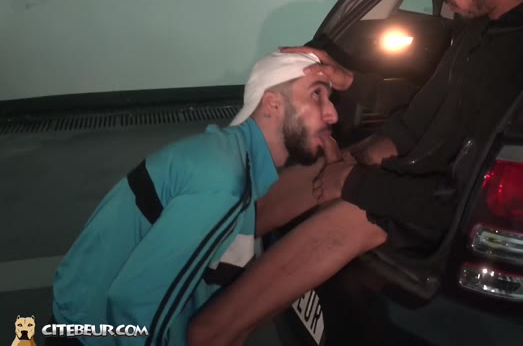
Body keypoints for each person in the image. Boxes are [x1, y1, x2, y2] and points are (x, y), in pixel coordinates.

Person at [188, 0, 523, 344]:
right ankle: (185, 277)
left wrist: (353, 182)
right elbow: (426, 109)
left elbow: (458, 203)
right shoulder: (487, 25)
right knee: (242, 217)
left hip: (412, 214)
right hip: (399, 175)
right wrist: (352, 87)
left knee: (209, 329)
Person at [47, 51, 340, 346]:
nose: (332, 114)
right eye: (316, 95)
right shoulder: (224, 182)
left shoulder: (229, 156)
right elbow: (136, 306)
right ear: (272, 103)